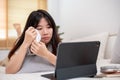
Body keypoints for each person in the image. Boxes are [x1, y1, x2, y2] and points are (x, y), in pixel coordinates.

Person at [6, 9, 61, 74]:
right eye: (39, 28)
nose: (45, 32)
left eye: (49, 27)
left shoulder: (57, 45)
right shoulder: (24, 44)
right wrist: (26, 43)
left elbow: (67, 66)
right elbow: (9, 71)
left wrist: (46, 54)